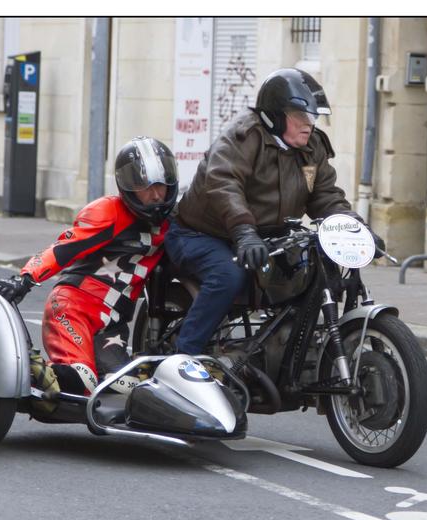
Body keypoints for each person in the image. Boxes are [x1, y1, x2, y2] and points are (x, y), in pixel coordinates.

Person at [165, 67, 385, 356]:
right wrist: (244, 232)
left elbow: (326, 195)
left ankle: (294, 353)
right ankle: (184, 357)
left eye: (313, 118)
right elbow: (223, 183)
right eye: (301, 117)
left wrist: (356, 229)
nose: (309, 125)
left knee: (317, 271)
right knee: (228, 276)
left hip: (265, 235)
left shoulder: (312, 148)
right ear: (275, 115)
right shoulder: (242, 138)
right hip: (202, 233)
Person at [0, 136, 178, 397]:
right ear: (127, 186)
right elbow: (62, 250)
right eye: (144, 186)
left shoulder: (173, 223)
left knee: (126, 388)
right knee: (82, 381)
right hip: (73, 310)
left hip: (112, 326)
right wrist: (25, 278)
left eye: (161, 185)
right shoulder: (109, 212)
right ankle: (26, 368)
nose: (156, 194)